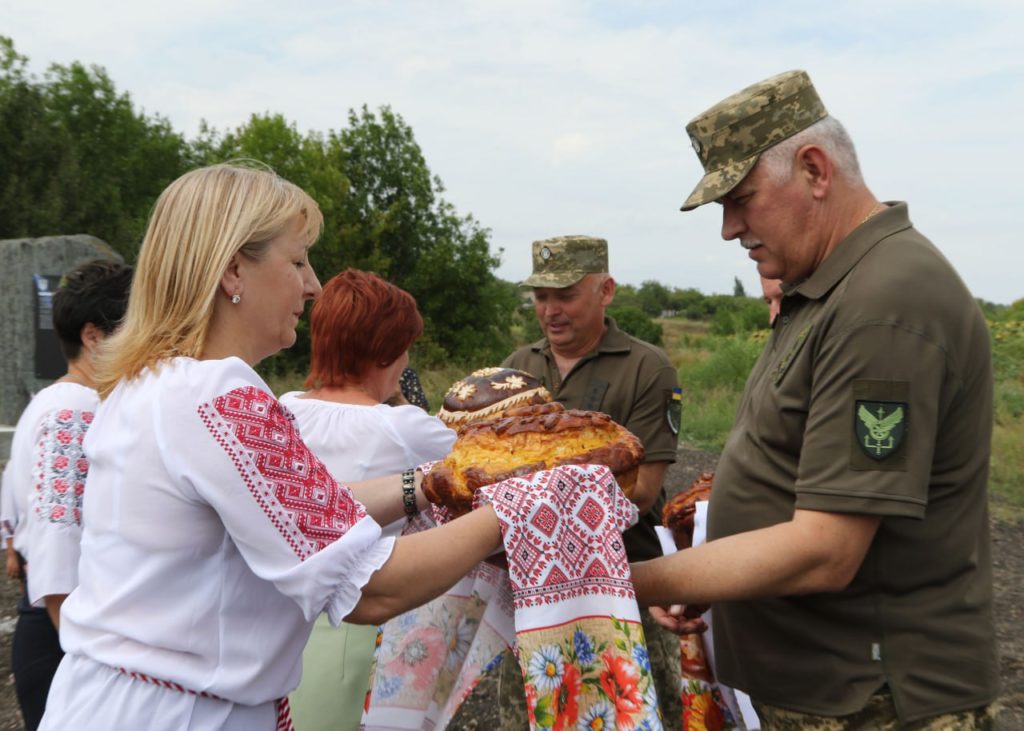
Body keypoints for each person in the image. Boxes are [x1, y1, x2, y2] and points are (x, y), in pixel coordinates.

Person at [37, 162, 502, 731]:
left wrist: (428, 484)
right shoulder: (218, 394)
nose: (313, 284)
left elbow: (300, 510)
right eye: (299, 260)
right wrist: (517, 507)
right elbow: (372, 589)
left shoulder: (149, 383)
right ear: (234, 269)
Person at [632, 69, 997, 727]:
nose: (729, 228)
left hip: (876, 703)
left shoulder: (885, 302)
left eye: (740, 198)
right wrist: (706, 575)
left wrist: (630, 581)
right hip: (829, 692)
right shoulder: (827, 289)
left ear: (814, 170)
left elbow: (826, 548)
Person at [498, 235, 683, 727]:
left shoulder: (648, 369)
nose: (551, 310)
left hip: (622, 587)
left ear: (606, 291)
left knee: (629, 713)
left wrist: (532, 489)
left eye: (566, 295)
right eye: (541, 297)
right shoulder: (518, 368)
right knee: (533, 716)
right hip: (531, 591)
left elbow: (641, 492)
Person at [283, 269, 455, 731]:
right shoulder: (403, 427)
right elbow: (472, 466)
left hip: (278, 624)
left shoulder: (282, 407)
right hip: (358, 626)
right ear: (386, 353)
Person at [0, 259, 132, 730]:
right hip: (63, 633)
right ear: (94, 336)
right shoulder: (76, 409)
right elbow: (58, 547)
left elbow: (15, 507)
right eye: (133, 325)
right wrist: (88, 658)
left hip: (53, 627)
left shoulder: (51, 401)